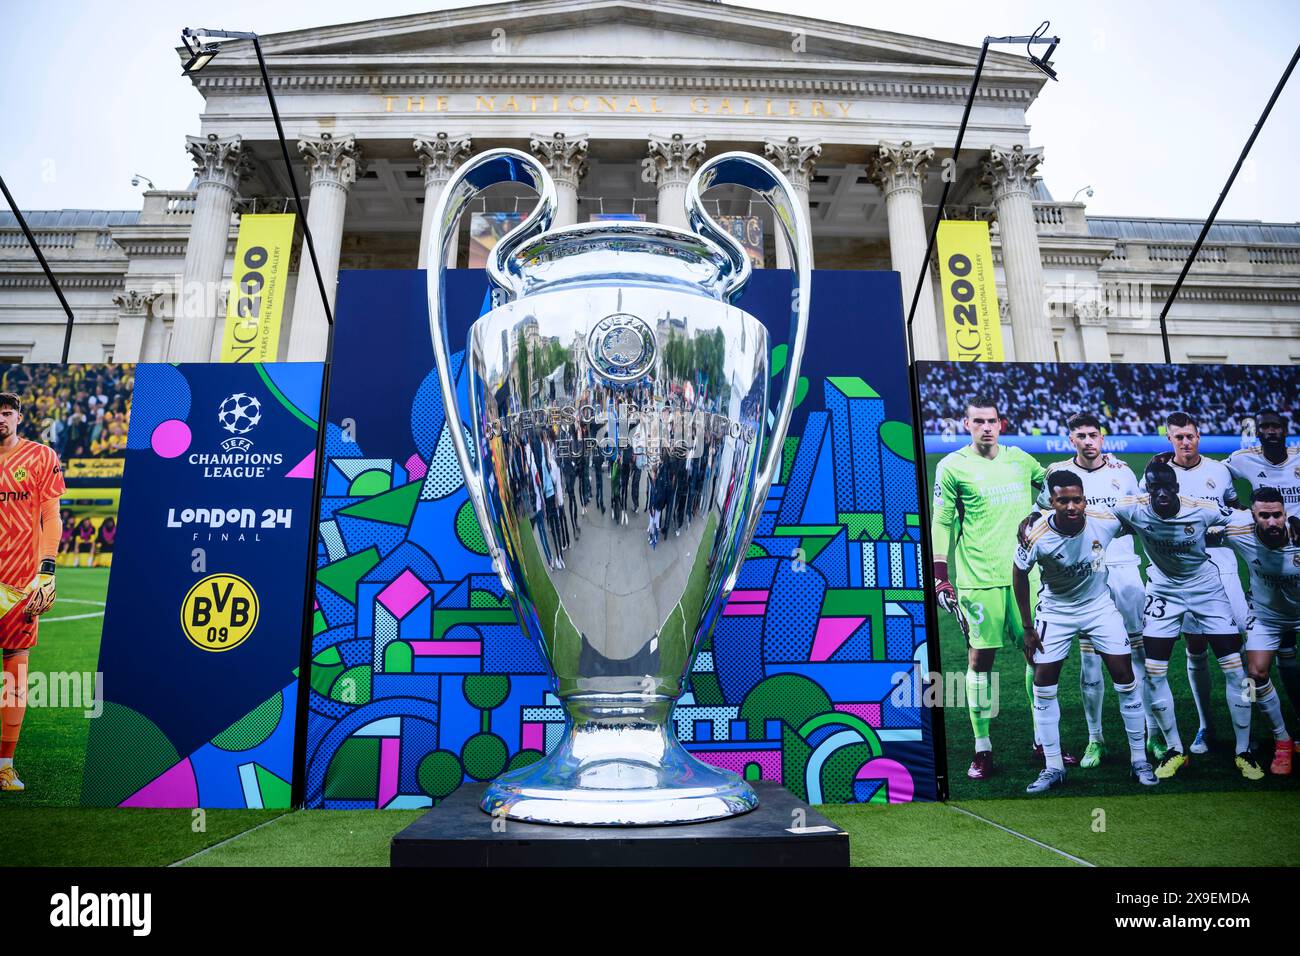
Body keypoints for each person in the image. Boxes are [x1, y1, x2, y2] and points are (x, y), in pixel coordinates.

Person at [930, 393, 1051, 780]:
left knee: (1037, 656)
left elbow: (1056, 483)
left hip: (1025, 577)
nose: (986, 427)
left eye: (992, 421)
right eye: (978, 421)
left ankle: (1043, 741)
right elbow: (942, 522)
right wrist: (939, 574)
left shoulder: (1020, 460)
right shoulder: (952, 467)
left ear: (1001, 424)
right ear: (967, 425)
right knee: (980, 662)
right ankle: (983, 748)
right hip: (978, 580)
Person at [1111, 463, 1257, 780]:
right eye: (1153, 488)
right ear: (1145, 489)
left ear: (1177, 487)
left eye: (1166, 487)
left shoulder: (1202, 509)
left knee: (1235, 668)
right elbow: (1092, 520)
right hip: (1164, 591)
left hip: (1206, 589)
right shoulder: (1131, 509)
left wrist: (1283, 524)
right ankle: (1176, 749)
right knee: (1153, 671)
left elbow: (1244, 520)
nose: (1160, 494)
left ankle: (1244, 750)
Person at [1014, 471, 1157, 793]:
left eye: (1076, 499)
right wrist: (1027, 627)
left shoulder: (1104, 520)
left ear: (1085, 499)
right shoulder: (1035, 533)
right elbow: (1019, 576)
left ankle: (1139, 760)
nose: (1071, 506)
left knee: (1125, 678)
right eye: (1062, 500)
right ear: (1051, 502)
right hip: (1056, 611)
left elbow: (1145, 520)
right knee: (1043, 685)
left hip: (1099, 608)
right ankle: (1053, 767)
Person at [1036, 413, 1157, 767]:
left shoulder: (1122, 472)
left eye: (1093, 435)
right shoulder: (1059, 474)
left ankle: (1153, 737)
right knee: (1089, 662)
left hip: (1123, 569)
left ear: (1102, 438)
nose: (1088, 441)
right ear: (1071, 440)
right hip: (1085, 577)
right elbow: (1043, 516)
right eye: (1081, 436)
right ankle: (1096, 740)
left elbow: (1139, 519)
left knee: (1137, 654)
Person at [1147, 412, 1248, 757]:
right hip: (1183, 568)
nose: (1186, 442)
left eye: (1190, 436)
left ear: (1198, 436)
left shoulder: (1219, 470)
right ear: (1170, 439)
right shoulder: (1161, 475)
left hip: (1222, 562)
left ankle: (1253, 722)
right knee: (1196, 646)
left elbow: (1234, 506)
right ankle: (1206, 725)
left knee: (1242, 642)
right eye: (1179, 438)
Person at [1210, 487, 1300, 776]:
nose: (1272, 522)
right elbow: (1197, 522)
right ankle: (1282, 739)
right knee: (1255, 674)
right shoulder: (1240, 532)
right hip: (1266, 617)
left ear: (1285, 515)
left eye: (1277, 515)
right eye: (1265, 516)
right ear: (1253, 516)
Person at [0, 392, 64, 792]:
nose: (0, 420)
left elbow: (51, 516)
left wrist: (47, 571)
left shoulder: (40, 457)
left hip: (20, 582)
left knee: (15, 674)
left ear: (19, 417)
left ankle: (5, 765)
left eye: (6, 413)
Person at [1226, 410, 1300, 719]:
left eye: (1276, 427)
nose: (1270, 432)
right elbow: (1214, 475)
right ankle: (1259, 723)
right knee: (1254, 670)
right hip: (1267, 565)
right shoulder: (1244, 459)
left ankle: (1294, 716)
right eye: (1265, 427)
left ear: (1286, 430)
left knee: (1286, 652)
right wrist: (1237, 508)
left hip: (1294, 546)